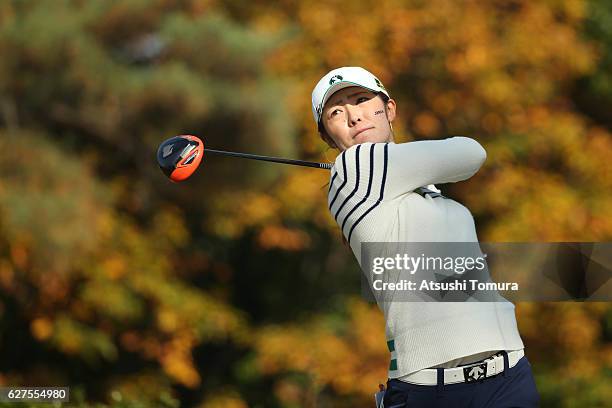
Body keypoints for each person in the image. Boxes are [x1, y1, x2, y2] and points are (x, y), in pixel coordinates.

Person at [311, 67, 540, 407]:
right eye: (336, 112)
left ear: (389, 110)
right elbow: (471, 152)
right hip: (434, 392)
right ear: (329, 138)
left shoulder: (419, 186)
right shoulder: (355, 167)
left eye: (360, 101)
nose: (354, 117)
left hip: (508, 375)